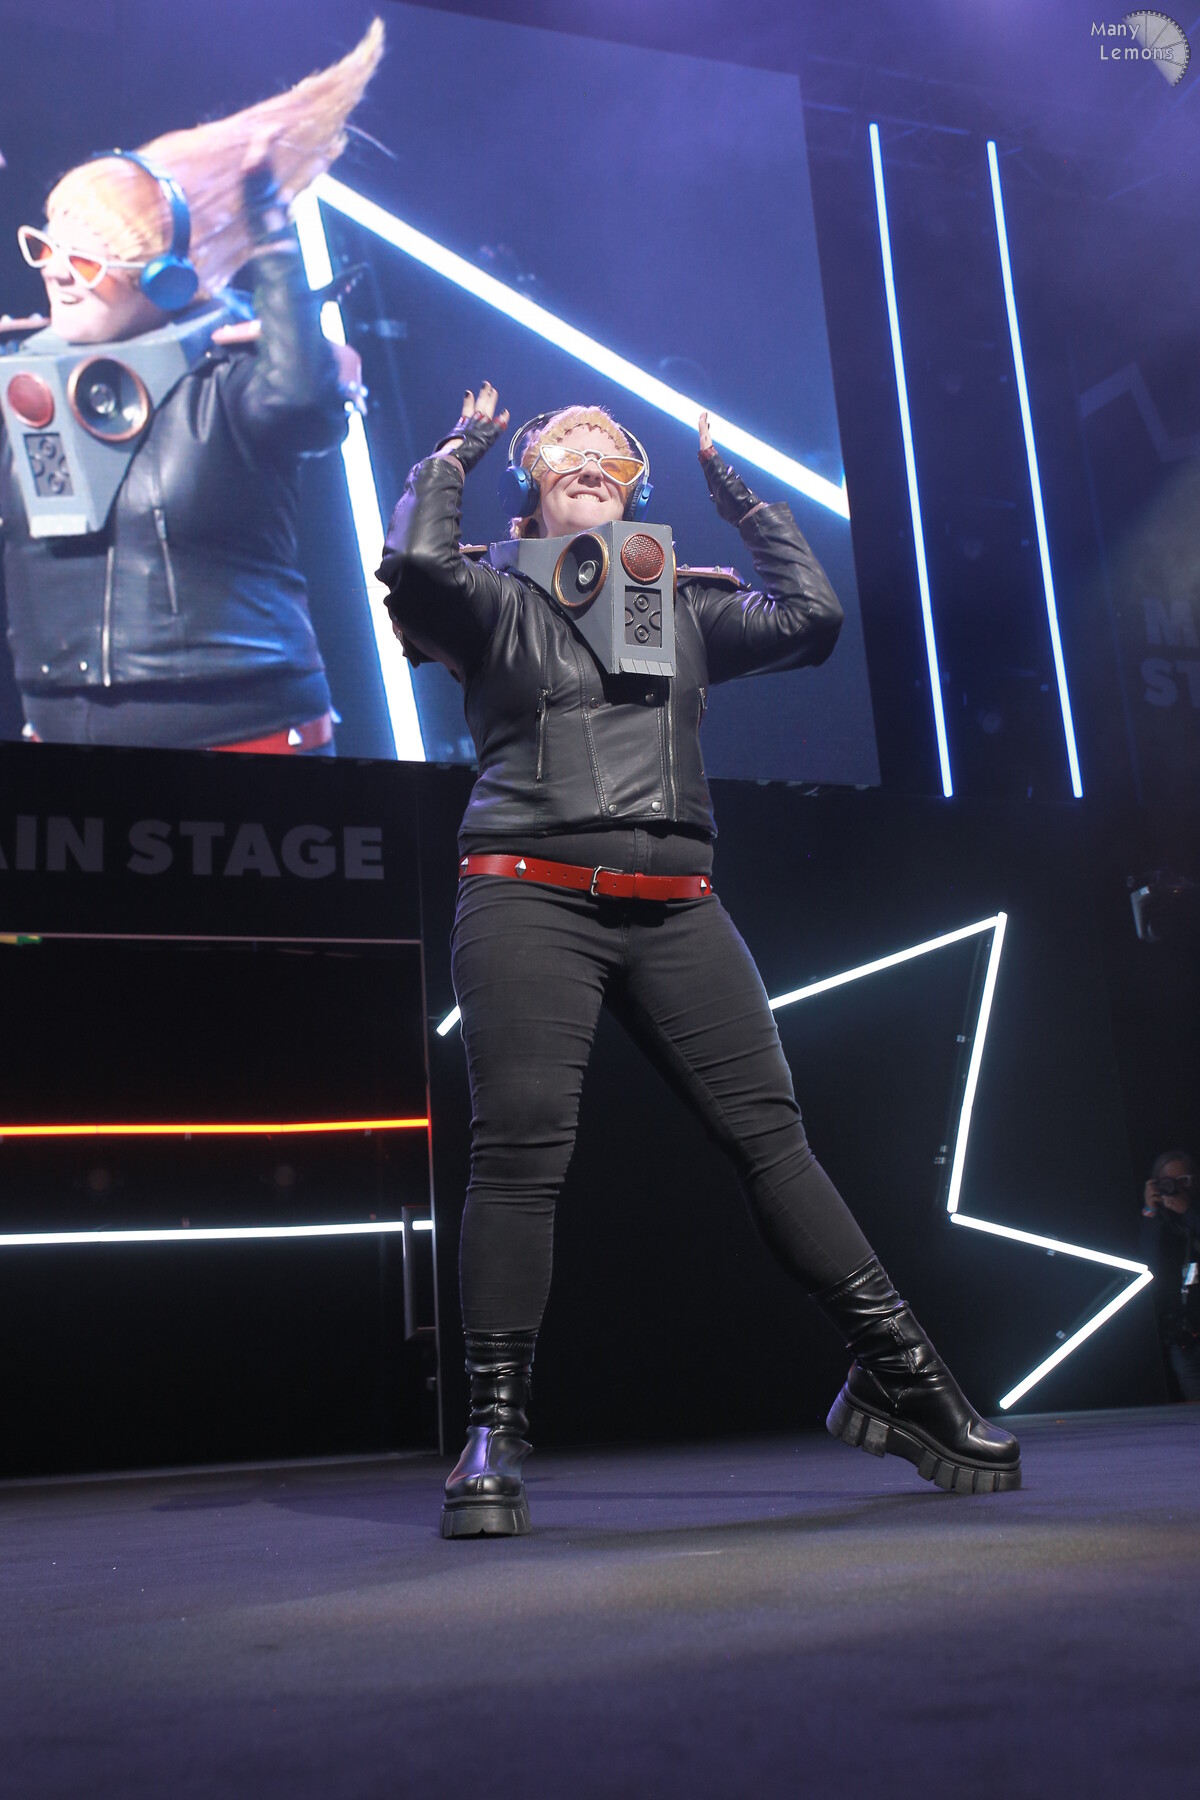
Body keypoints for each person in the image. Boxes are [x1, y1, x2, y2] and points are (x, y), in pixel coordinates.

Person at [379, 382, 1021, 1537]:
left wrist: (739, 495)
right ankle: (492, 1433)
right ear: (532, 481)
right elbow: (415, 569)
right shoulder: (491, 593)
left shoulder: (670, 598)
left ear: (635, 490)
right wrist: (458, 449)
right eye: (565, 446)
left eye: (614, 451)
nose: (591, 453)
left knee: (774, 1143)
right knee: (522, 1153)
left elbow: (812, 617)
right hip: (529, 891)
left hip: (677, 904)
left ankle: (904, 1380)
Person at [0, 22, 383, 753]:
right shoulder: (19, 384)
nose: (54, 272)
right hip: (61, 743)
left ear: (165, 279)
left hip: (240, 739)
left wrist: (271, 234)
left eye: (86, 261)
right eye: (45, 247)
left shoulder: (230, 380)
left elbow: (302, 400)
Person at [1140, 1150, 1200, 1400]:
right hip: (1184, 1332)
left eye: (1183, 1180)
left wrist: (1189, 1212)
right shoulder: (1159, 1221)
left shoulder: (1194, 1213)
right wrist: (1150, 1211)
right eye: (1168, 1182)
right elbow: (1148, 1263)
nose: (1176, 1188)